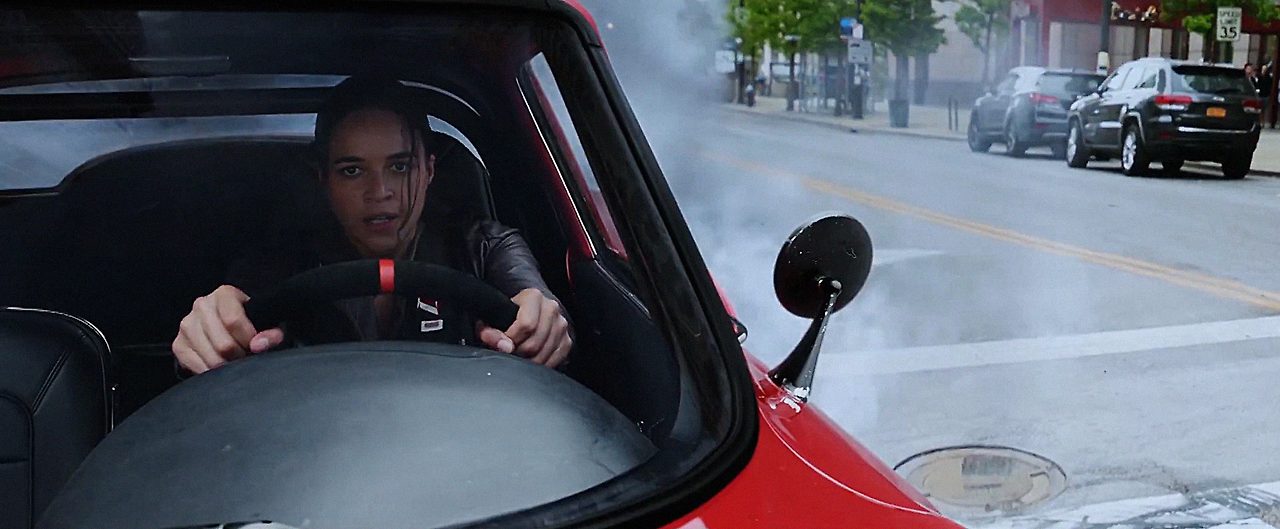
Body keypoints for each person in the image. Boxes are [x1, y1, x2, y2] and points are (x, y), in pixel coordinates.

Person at [171, 76, 572, 375]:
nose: (379, 192)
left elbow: (534, 302)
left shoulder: (485, 247)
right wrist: (211, 328)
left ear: (430, 170)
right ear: (323, 180)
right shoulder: (282, 259)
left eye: (400, 167)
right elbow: (232, 308)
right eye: (352, 170)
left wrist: (542, 324)